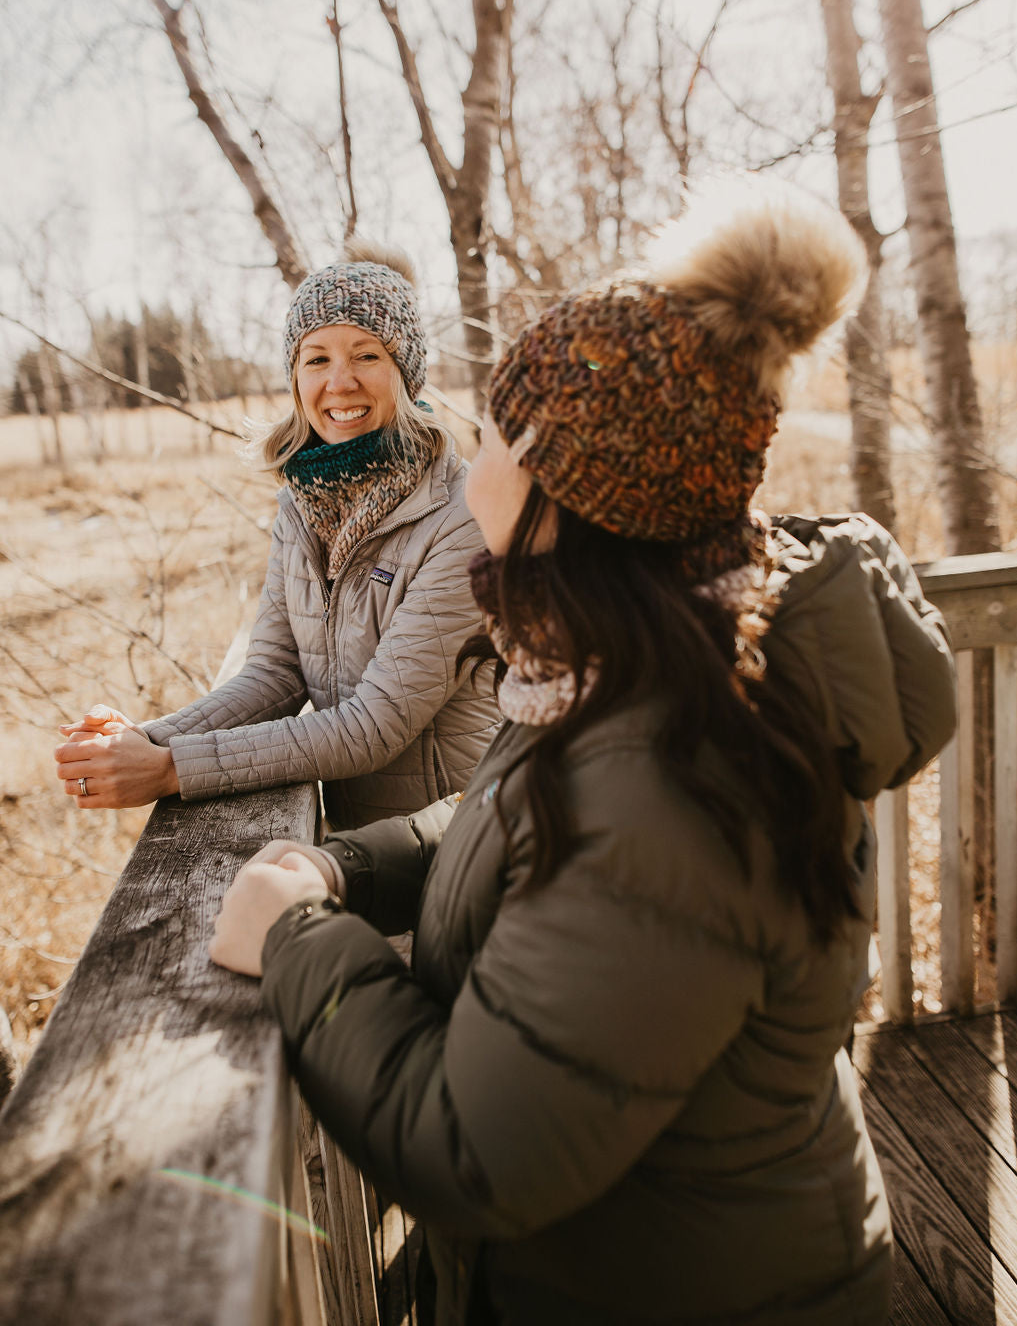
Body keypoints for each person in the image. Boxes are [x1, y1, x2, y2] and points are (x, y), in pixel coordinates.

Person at [210, 177, 957, 1326]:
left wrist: (299, 948)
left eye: (501, 436)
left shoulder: (684, 770)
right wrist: (346, 872)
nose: (472, 464)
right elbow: (520, 816)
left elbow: (475, 1149)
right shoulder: (627, 671)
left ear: (570, 499)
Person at [54, 241, 499, 830]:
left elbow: (373, 725)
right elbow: (275, 676)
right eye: (316, 359)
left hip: (459, 842)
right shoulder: (301, 505)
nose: (339, 383)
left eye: (365, 355)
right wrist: (140, 740)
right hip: (360, 845)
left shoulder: (462, 517)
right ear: (294, 377)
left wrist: (169, 768)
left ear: (406, 371)